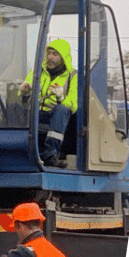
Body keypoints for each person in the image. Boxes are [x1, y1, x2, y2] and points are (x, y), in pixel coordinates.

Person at [21, 39, 78, 167]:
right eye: (49, 53)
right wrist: (24, 92)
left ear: (63, 57)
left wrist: (61, 97)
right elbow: (22, 97)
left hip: (57, 118)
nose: (50, 57)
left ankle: (51, 155)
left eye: (55, 54)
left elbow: (73, 105)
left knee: (61, 110)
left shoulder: (73, 76)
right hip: (36, 113)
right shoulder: (37, 72)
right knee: (14, 107)